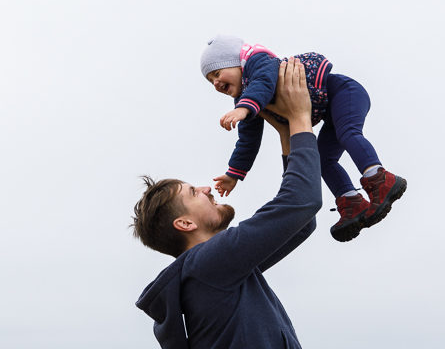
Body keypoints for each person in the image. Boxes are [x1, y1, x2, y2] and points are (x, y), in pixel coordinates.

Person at [133, 59, 320, 349]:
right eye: (193, 192)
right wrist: (299, 118)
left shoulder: (215, 272)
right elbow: (302, 202)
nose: (207, 188)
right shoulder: (209, 264)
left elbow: (301, 222)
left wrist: (286, 134)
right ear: (185, 224)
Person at [200, 35, 406, 242]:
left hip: (344, 92)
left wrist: (244, 109)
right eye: (211, 81)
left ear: (237, 64)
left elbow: (263, 83)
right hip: (329, 111)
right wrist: (234, 173)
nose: (216, 83)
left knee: (348, 134)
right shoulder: (246, 99)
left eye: (217, 73)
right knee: (322, 161)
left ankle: (379, 177)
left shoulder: (257, 62)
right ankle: (352, 202)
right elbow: (248, 141)